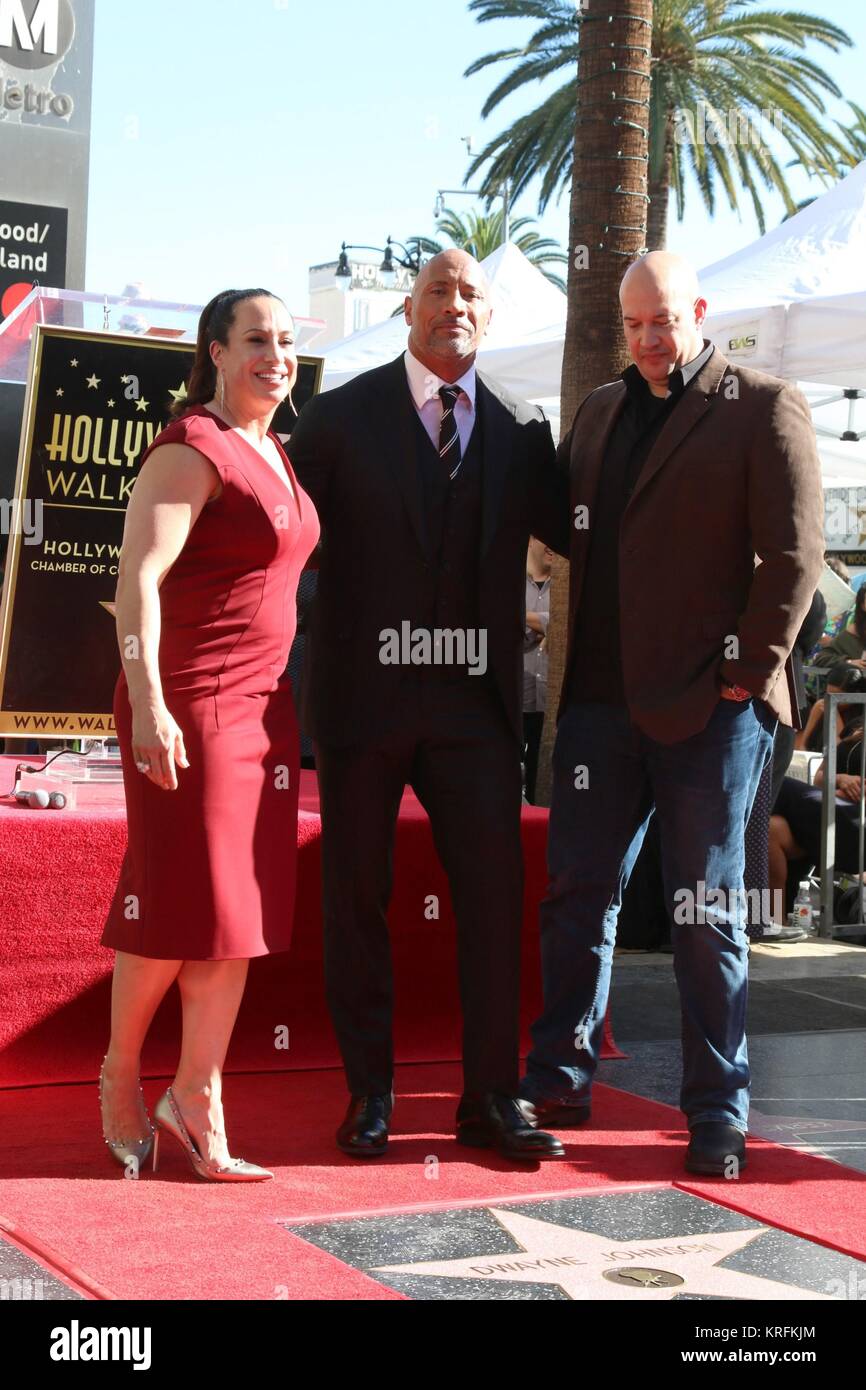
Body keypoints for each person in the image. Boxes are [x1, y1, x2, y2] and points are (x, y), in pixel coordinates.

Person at [518, 250, 824, 1176]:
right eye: (635, 325)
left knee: (707, 911)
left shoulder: (763, 404)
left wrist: (743, 669)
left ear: (696, 311)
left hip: (714, 710)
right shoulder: (602, 410)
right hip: (601, 708)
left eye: (664, 320)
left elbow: (795, 556)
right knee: (578, 896)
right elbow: (555, 516)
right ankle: (560, 1075)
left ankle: (717, 1111)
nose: (650, 339)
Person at [287, 249, 570, 1163]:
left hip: (476, 707)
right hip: (361, 699)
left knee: (493, 900)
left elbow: (587, 539)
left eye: (470, 294)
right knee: (355, 895)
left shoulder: (525, 427)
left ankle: (490, 1097)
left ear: (488, 317)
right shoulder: (334, 420)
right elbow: (280, 548)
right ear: (408, 308)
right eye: (439, 291)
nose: (455, 305)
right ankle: (370, 1093)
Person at [99, 289, 319, 1181]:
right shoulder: (194, 446)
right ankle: (121, 1073)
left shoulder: (277, 452)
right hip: (187, 703)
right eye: (256, 339)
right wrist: (148, 699)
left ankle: (197, 1095)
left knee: (237, 920)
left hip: (263, 714)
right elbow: (139, 577)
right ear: (216, 354)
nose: (276, 353)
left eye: (287, 341)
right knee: (176, 906)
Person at [523, 537, 553, 804]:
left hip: (551, 707)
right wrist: (546, 624)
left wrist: (524, 616)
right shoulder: (511, 582)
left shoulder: (566, 586)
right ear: (531, 541)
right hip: (519, 703)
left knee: (543, 782)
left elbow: (563, 624)